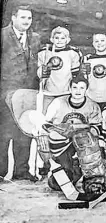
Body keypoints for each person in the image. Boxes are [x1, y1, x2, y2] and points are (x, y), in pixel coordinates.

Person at [44, 75, 106, 201]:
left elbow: (96, 129)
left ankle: (93, 182)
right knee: (57, 183)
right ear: (70, 88)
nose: (78, 91)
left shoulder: (92, 106)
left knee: (84, 138)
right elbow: (46, 125)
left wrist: (79, 130)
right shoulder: (58, 103)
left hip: (82, 144)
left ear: (86, 89)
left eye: (82, 88)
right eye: (75, 87)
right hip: (61, 144)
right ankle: (73, 173)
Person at [0, 5, 41, 181]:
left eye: (29, 18)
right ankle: (0, 172)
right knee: (4, 133)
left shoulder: (36, 38)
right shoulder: (3, 35)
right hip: (5, 93)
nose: (26, 22)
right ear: (13, 18)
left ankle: (21, 171)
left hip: (27, 94)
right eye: (23, 18)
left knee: (24, 132)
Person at [37, 26, 82, 95]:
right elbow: (39, 73)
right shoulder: (44, 53)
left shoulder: (72, 53)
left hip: (66, 90)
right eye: (57, 38)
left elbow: (75, 74)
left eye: (63, 38)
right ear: (52, 39)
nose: (59, 40)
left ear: (68, 40)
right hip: (49, 90)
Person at [82, 33, 106, 109]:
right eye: (96, 41)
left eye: (102, 40)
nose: (99, 43)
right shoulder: (88, 59)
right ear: (93, 44)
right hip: (91, 99)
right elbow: (85, 79)